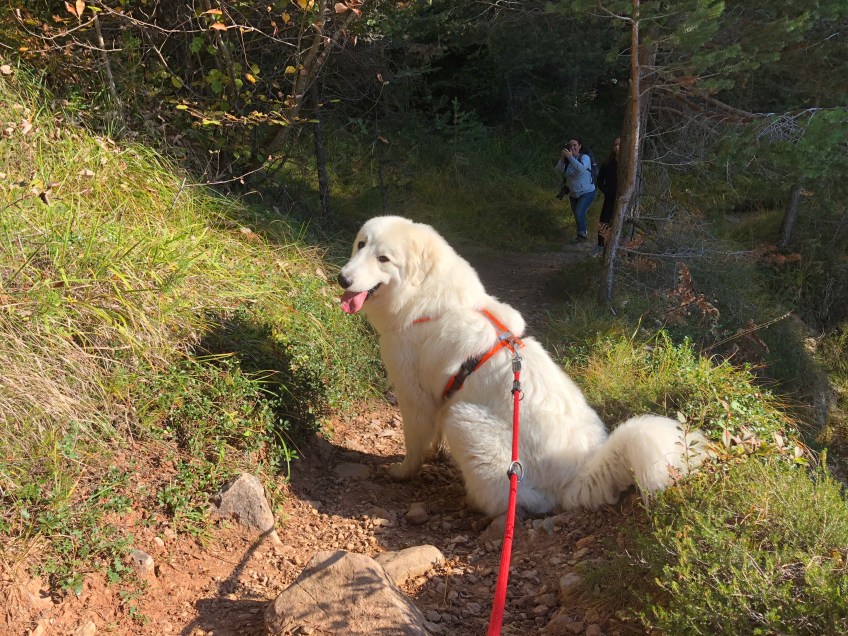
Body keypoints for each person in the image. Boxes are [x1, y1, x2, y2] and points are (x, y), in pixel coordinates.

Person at [555, 136, 596, 244]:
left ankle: (582, 237)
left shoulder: (585, 157)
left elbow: (581, 169)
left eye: (575, 145)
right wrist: (562, 158)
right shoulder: (568, 160)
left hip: (587, 192)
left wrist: (570, 157)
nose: (572, 148)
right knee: (577, 215)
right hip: (574, 193)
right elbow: (559, 169)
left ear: (580, 146)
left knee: (579, 213)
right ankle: (582, 234)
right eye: (570, 145)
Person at [594, 137, 620, 256]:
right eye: (615, 145)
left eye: (619, 145)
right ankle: (600, 246)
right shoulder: (608, 163)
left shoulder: (628, 163)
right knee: (604, 221)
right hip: (609, 198)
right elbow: (600, 180)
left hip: (623, 199)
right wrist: (606, 191)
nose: (617, 147)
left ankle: (619, 248)